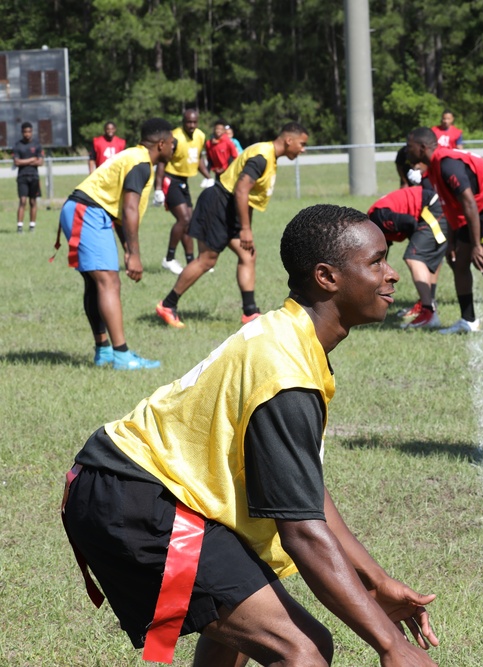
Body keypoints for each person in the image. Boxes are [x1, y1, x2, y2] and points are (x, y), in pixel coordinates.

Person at [62, 204, 440, 666]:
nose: (391, 275)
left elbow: (306, 495)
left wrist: (375, 581)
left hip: (140, 486)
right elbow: (302, 532)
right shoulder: (287, 370)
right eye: (376, 261)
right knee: (302, 650)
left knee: (245, 625)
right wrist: (391, 645)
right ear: (327, 277)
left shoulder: (291, 338)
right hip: (137, 497)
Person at [155, 122, 309, 328]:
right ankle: (167, 305)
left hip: (231, 208)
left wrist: (248, 229)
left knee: (248, 254)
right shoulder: (262, 156)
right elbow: (241, 191)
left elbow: (249, 199)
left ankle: (250, 312)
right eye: (302, 143)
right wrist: (244, 229)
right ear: (289, 140)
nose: (303, 149)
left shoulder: (270, 157)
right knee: (206, 260)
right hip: (219, 204)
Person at [56, 118, 175, 370]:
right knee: (108, 281)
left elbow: (121, 216)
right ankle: (122, 356)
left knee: (97, 282)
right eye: (173, 143)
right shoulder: (141, 162)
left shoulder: (136, 157)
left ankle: (104, 351)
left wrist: (128, 251)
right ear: (161, 143)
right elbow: (130, 208)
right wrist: (134, 255)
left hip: (86, 211)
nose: (175, 148)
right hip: (86, 211)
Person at [407, 127, 483, 338]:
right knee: (458, 261)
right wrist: (452, 242)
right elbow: (452, 206)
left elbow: (468, 201)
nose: (407, 150)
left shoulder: (447, 163)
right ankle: (468, 320)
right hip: (481, 207)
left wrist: (477, 246)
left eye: (410, 146)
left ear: (423, 147)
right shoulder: (434, 168)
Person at [368, 173, 448, 329]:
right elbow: (381, 261)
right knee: (420, 256)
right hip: (433, 207)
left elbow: (410, 222)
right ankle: (427, 302)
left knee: (415, 257)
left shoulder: (378, 218)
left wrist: (418, 245)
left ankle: (428, 312)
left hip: (431, 207)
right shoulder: (377, 228)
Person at [157, 109, 213, 275]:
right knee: (184, 219)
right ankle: (169, 259)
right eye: (188, 122)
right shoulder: (174, 137)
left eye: (194, 122)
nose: (192, 125)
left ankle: (191, 261)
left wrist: (209, 177)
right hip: (170, 179)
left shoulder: (200, 136)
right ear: (183, 121)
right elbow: (162, 161)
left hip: (183, 182)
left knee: (189, 223)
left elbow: (198, 159)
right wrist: (158, 188)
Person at [13, 121, 44, 233]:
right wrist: (32, 159)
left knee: (33, 202)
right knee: (22, 201)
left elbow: (40, 162)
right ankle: (20, 226)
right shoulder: (18, 145)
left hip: (34, 177)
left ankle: (32, 226)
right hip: (22, 177)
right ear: (22, 132)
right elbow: (16, 162)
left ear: (32, 132)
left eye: (29, 131)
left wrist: (24, 161)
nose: (27, 134)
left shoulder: (37, 145)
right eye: (25, 132)